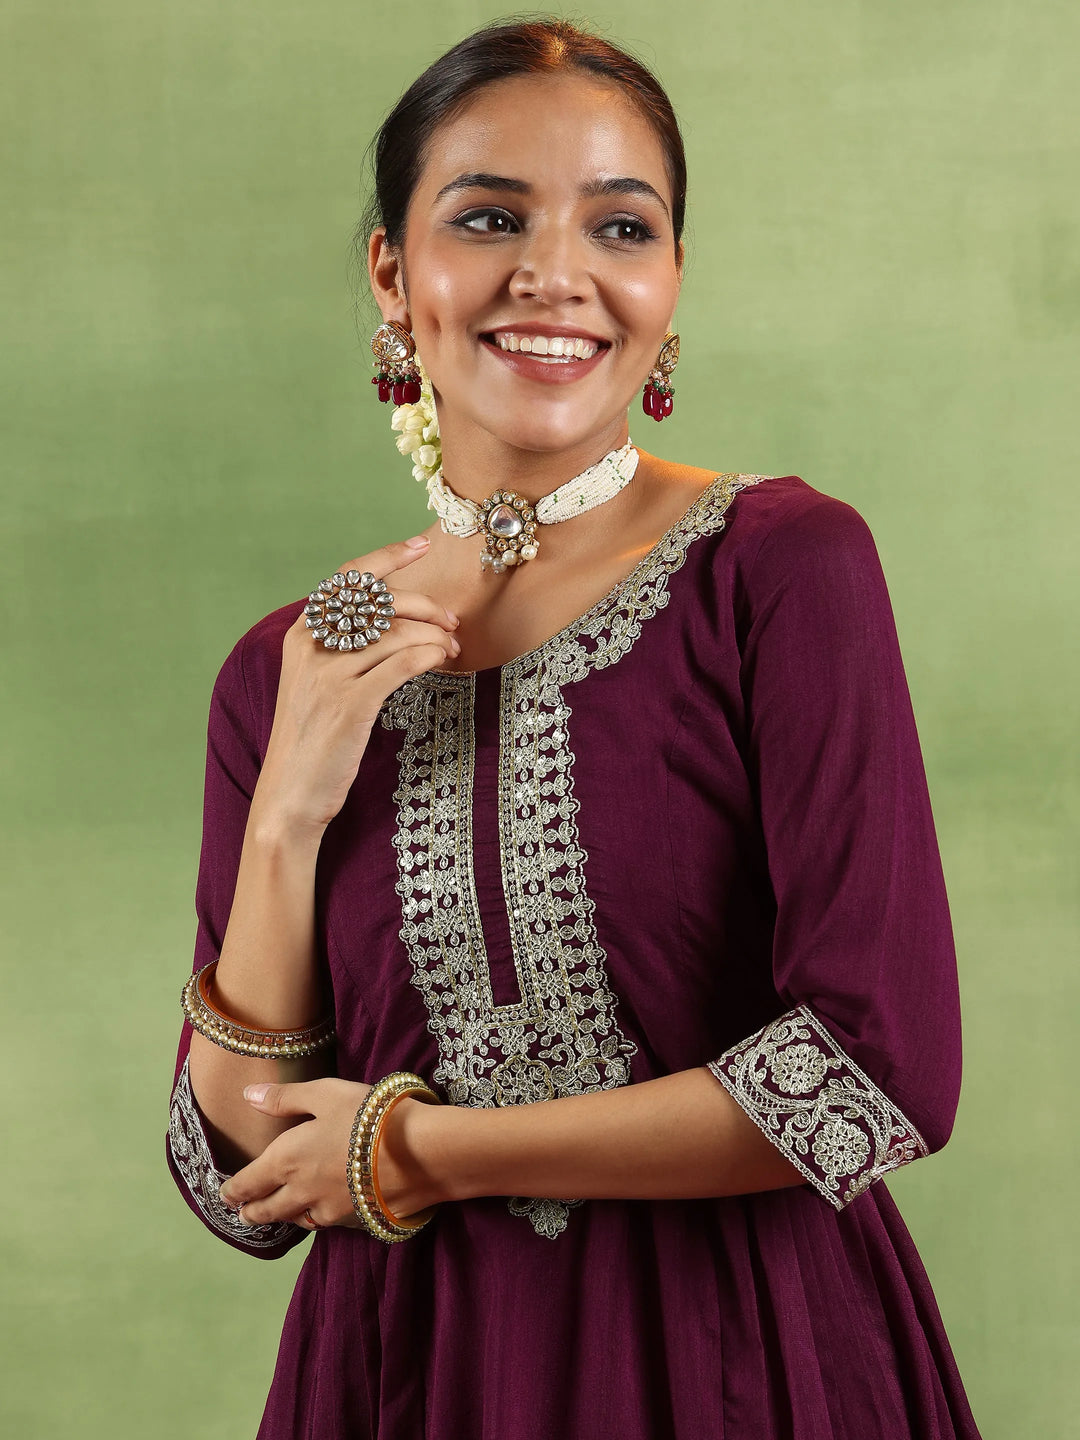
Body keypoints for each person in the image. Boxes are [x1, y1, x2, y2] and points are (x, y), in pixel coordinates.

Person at [165, 18, 983, 1439]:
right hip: (404, 1379)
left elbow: (871, 1075)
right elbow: (237, 1176)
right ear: (392, 273)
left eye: (621, 226)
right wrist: (289, 807)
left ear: (671, 281)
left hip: (742, 1360)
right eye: (490, 217)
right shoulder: (285, 669)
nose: (556, 274)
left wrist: (425, 1150)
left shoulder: (778, 570)